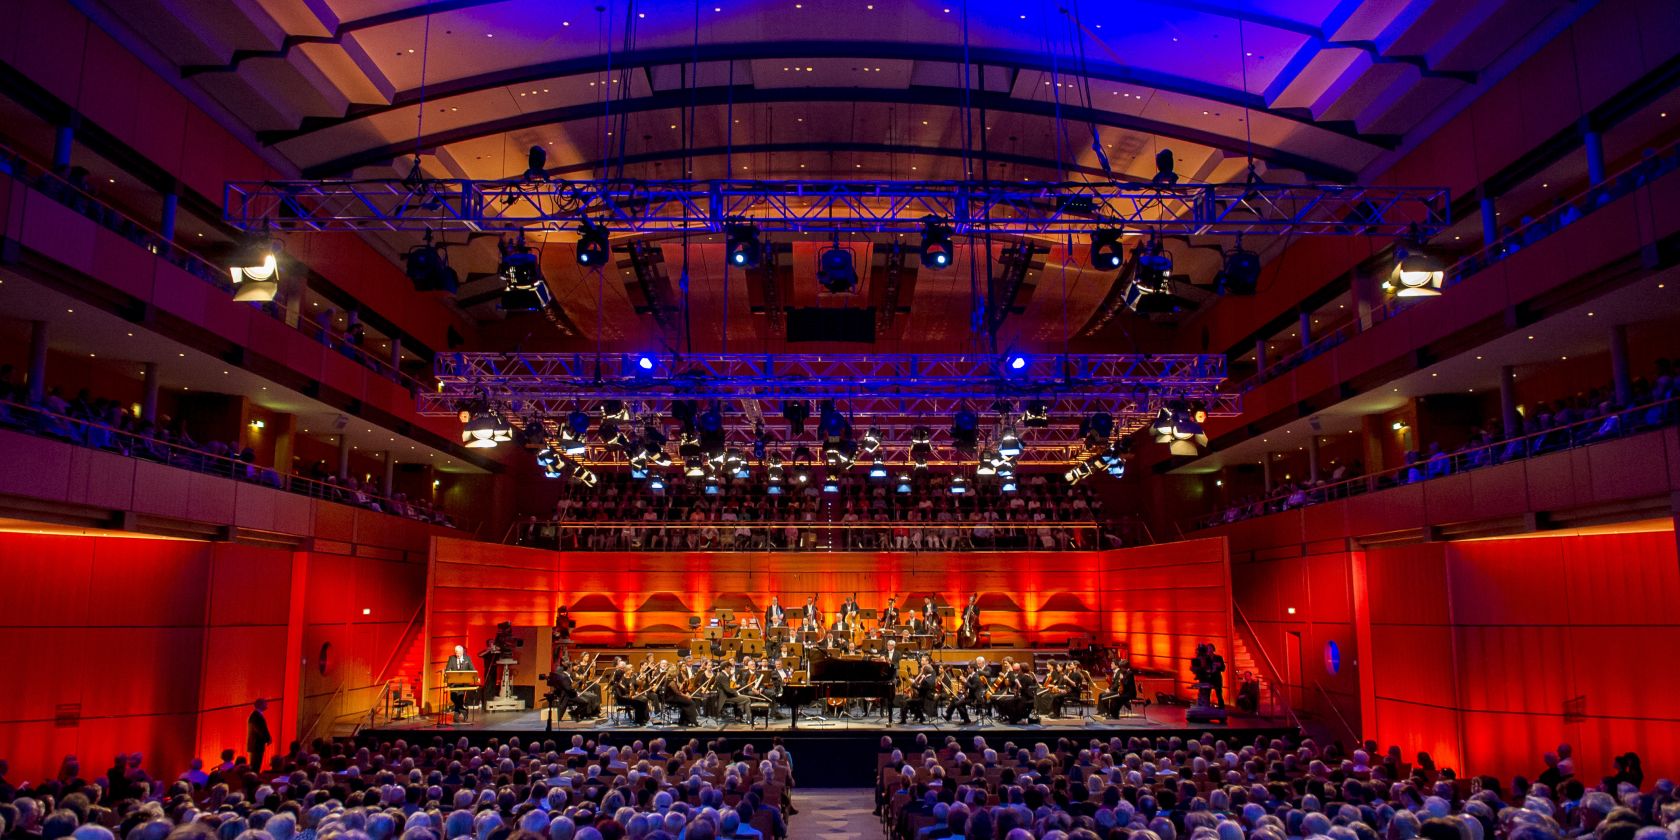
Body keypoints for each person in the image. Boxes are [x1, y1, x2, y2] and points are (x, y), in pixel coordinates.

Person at [445, 644, 476, 719]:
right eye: (456, 652)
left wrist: (474, 677)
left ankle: (456, 717)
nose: (457, 654)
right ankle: (464, 710)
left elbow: (472, 669)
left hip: (463, 682)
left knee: (460, 698)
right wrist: (448, 674)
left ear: (462, 652)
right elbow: (447, 670)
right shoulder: (451, 658)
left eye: (458, 652)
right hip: (454, 683)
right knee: (453, 697)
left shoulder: (467, 658)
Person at [246, 698, 272, 772]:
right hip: (256, 745)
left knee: (255, 766)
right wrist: (267, 739)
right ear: (260, 705)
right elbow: (260, 729)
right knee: (255, 767)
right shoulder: (256, 716)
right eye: (265, 703)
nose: (266, 705)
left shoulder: (256, 715)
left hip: (256, 745)